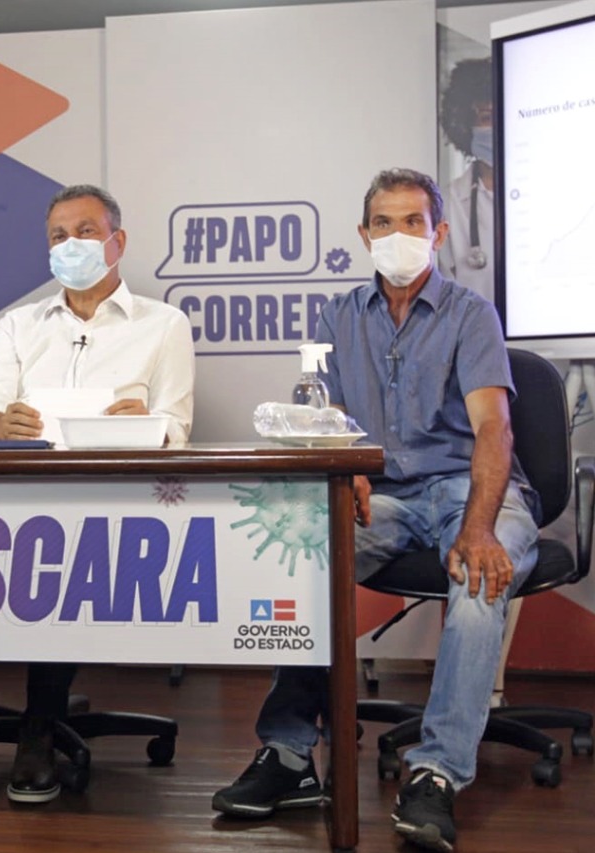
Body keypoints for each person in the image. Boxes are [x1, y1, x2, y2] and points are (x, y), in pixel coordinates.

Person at [211, 168, 539, 853]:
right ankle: (290, 754)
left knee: (478, 579)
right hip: (381, 494)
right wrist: (346, 462)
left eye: (413, 221)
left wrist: (479, 527)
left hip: (468, 488)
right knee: (303, 560)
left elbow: (493, 428)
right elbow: (324, 413)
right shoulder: (338, 316)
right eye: (384, 223)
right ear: (364, 235)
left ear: (438, 233)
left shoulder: (471, 314)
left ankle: (436, 772)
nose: (398, 235)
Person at [0, 184, 194, 809]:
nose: (71, 245)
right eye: (58, 236)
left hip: (108, 506)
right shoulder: (20, 324)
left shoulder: (163, 324)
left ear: (118, 242)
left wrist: (148, 421)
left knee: (58, 548)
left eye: (86, 232)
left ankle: (39, 728)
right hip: (14, 494)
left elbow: (177, 428)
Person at [437, 58, 495, 303]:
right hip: (476, 328)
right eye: (486, 117)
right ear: (465, 125)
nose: (497, 128)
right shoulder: (449, 202)